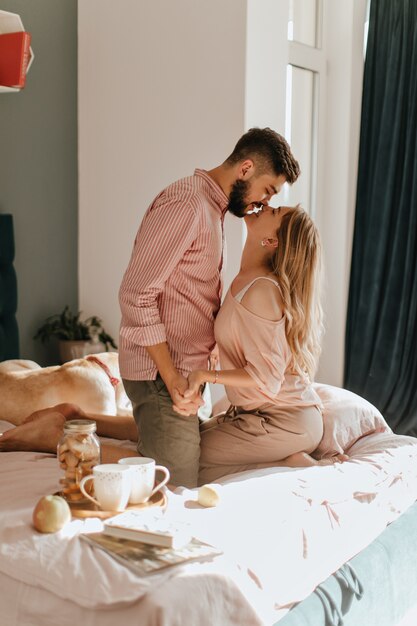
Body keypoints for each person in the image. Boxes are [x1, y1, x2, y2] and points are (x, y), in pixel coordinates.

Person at [118, 128, 300, 487]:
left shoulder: (213, 209)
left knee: (188, 458)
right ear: (246, 168)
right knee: (179, 485)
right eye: (268, 190)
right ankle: (64, 443)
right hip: (160, 372)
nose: (263, 203)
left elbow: (192, 298)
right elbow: (136, 294)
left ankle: (74, 423)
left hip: (183, 373)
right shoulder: (187, 204)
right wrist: (171, 377)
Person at [185, 205, 348, 486]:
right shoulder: (249, 280)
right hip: (267, 417)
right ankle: (285, 462)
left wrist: (205, 376)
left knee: (187, 460)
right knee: (183, 448)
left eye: (273, 212)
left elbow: (267, 379)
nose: (265, 207)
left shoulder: (261, 290)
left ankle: (289, 465)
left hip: (286, 423)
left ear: (272, 242)